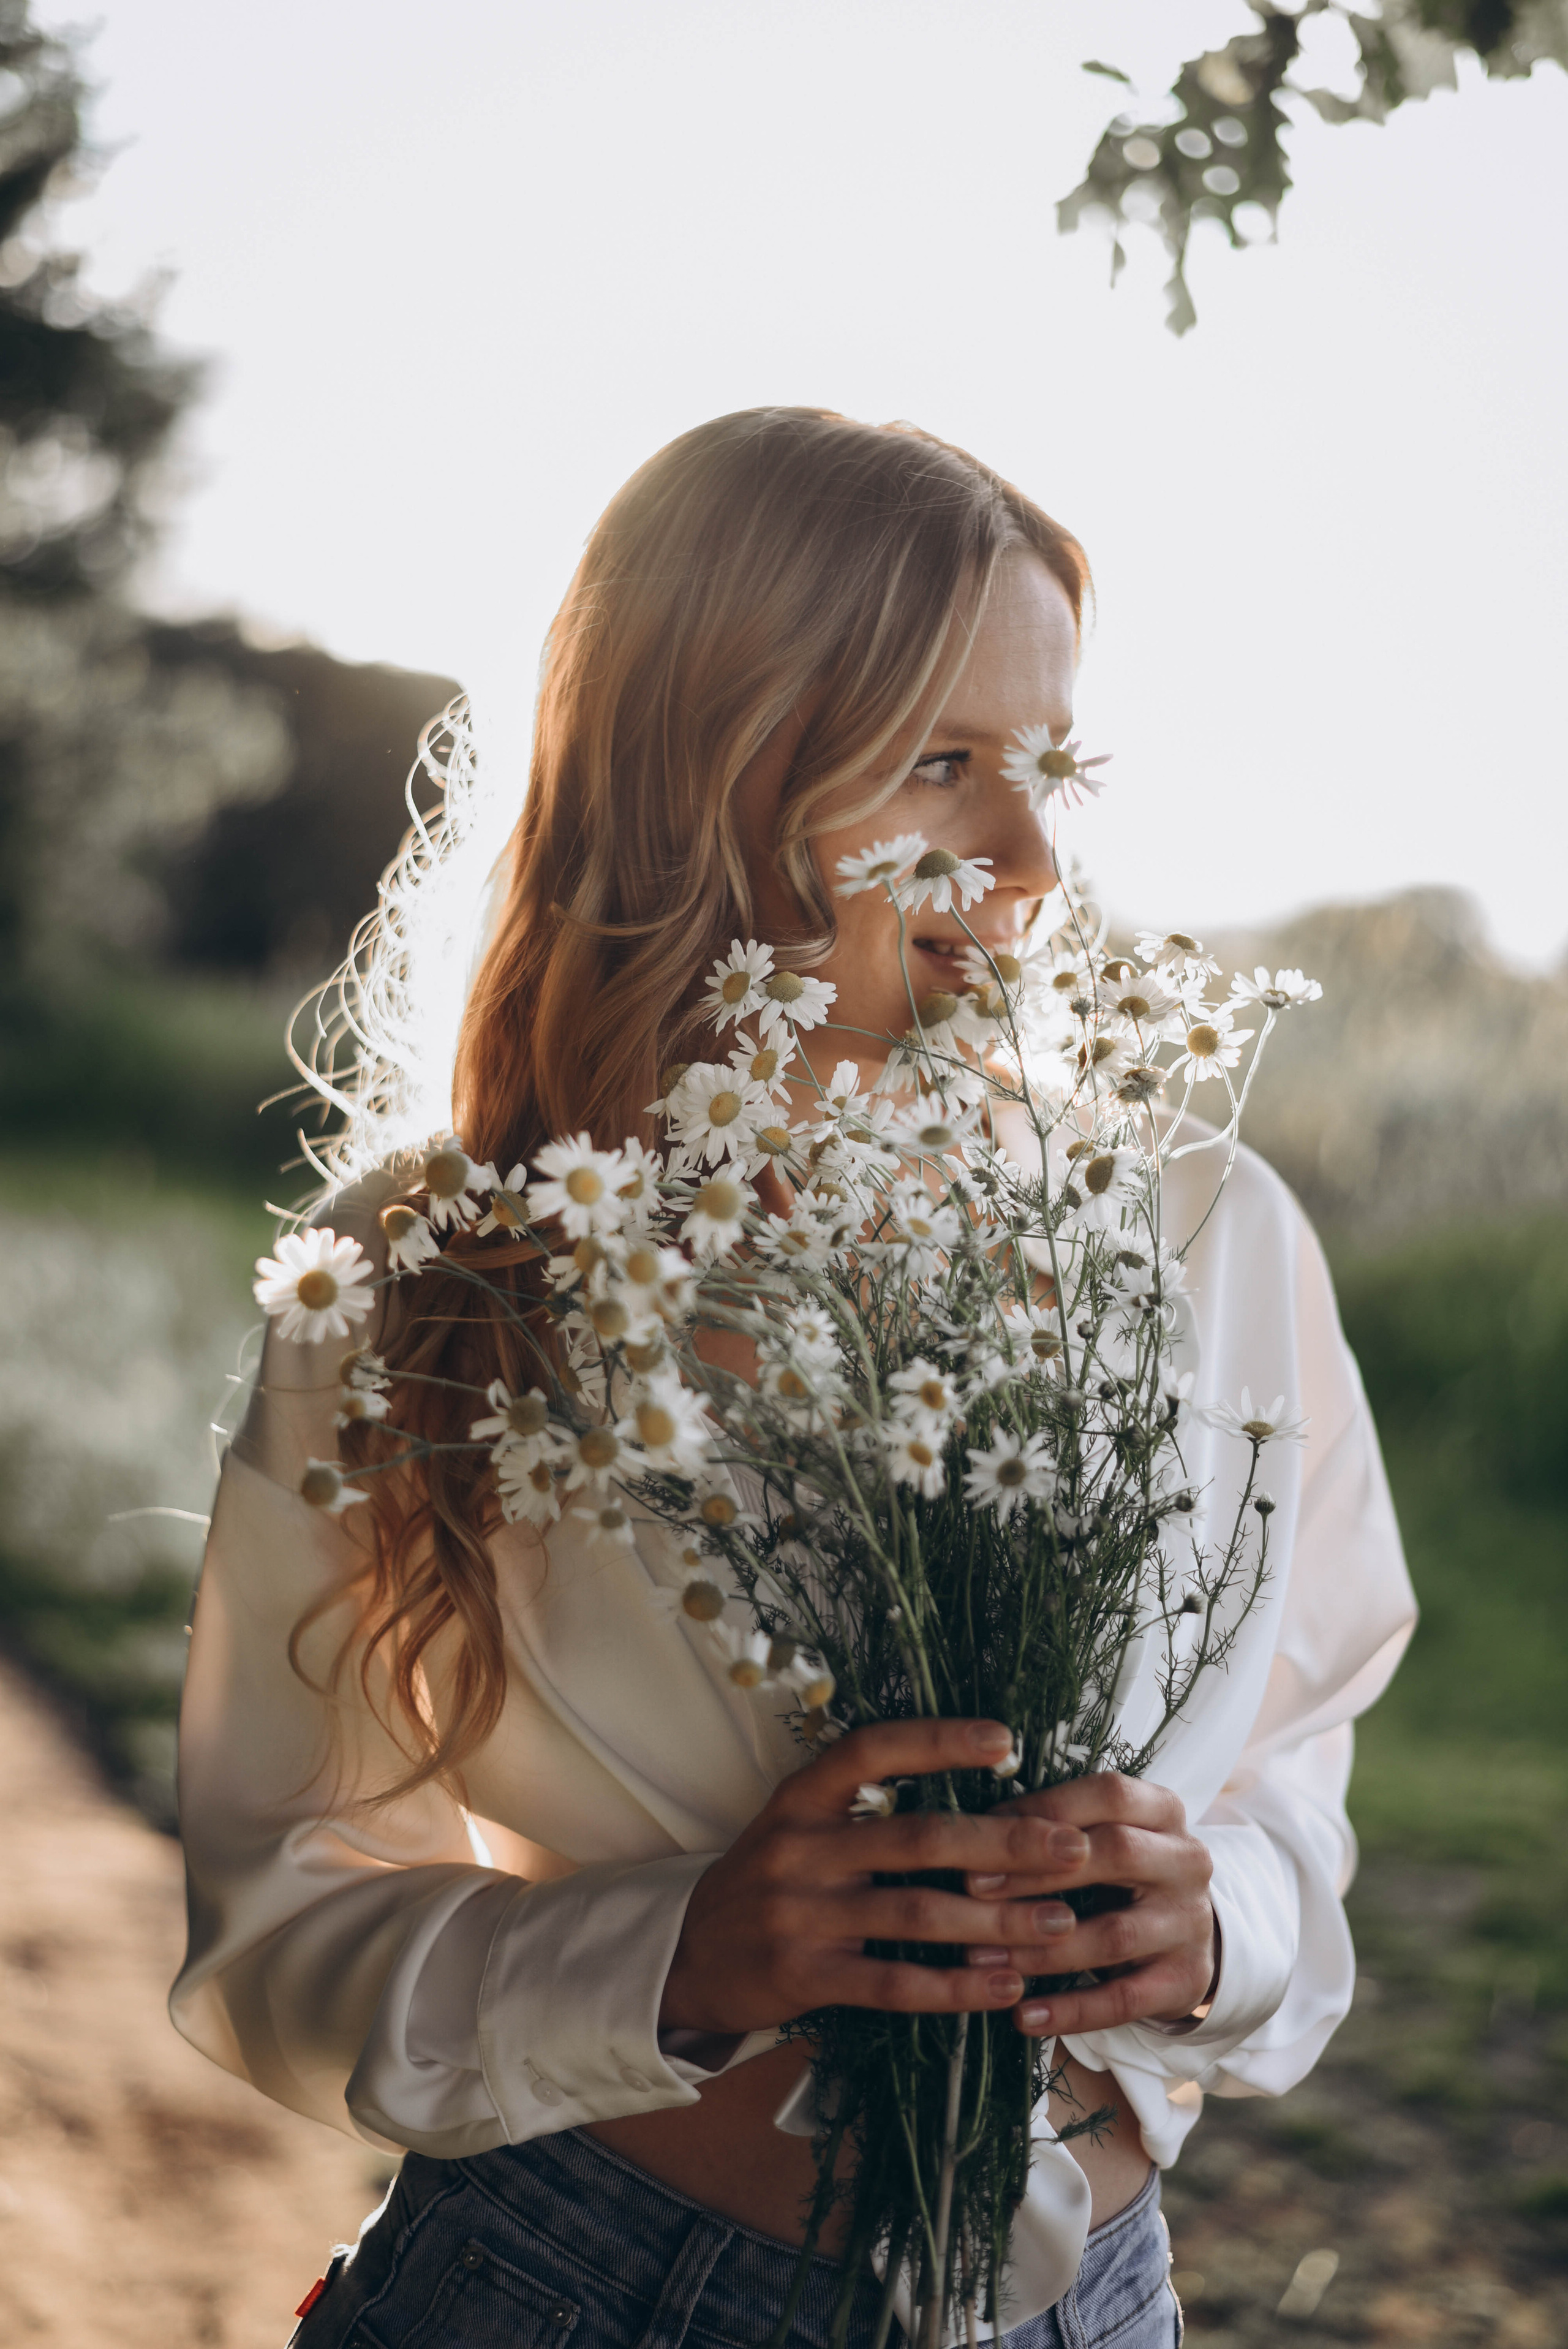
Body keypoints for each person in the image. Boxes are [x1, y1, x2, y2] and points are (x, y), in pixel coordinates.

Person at [171, 408, 1415, 2349]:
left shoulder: (1196, 1228)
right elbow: (280, 1925)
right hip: (582, 2289)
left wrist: (1216, 1918)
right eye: (943, 762)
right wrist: (669, 1953)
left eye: (1047, 763)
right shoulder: (429, 1274)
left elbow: (1292, 1768)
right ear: (704, 773)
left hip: (1096, 2297)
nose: (1026, 858)